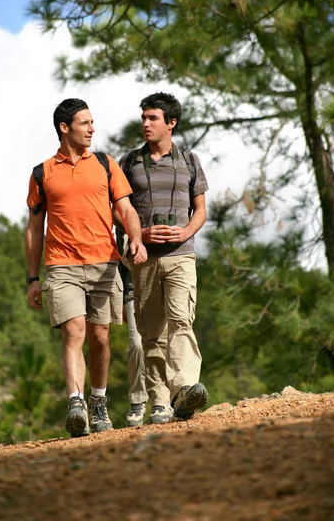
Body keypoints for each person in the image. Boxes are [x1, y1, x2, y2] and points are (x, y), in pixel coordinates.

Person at [25, 98, 147, 439]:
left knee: (100, 337)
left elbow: (124, 209)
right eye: (85, 123)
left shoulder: (106, 164)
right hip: (62, 265)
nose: (92, 128)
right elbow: (35, 229)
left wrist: (135, 239)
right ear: (65, 128)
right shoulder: (42, 172)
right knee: (74, 332)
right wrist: (33, 277)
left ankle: (98, 400)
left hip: (104, 262)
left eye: (93, 122)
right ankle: (76, 402)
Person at [118, 92, 209, 425]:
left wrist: (186, 233)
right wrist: (138, 235)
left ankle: (184, 388)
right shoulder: (128, 163)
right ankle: (159, 401)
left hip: (182, 256)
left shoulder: (189, 160)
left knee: (181, 320)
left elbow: (200, 211)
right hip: (143, 259)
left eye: (152, 118)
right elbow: (118, 210)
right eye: (143, 117)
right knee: (152, 333)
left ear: (171, 123)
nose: (145, 123)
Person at [116, 229, 148, 427]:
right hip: (130, 289)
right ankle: (138, 401)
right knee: (137, 344)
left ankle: (169, 399)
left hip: (161, 285)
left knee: (164, 343)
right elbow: (118, 256)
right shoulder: (121, 209)